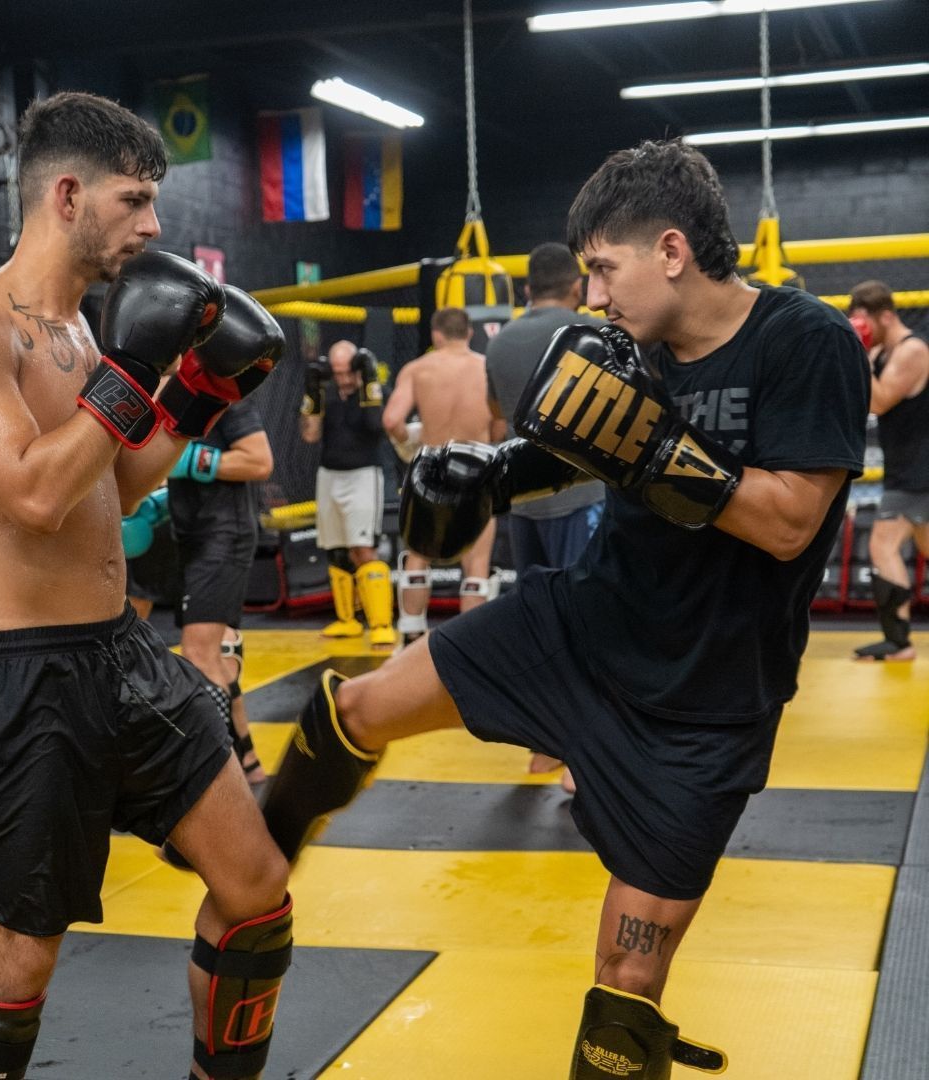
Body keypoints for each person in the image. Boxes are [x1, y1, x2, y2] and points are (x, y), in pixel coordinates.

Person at [262, 138, 869, 1079]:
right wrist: (490, 477)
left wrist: (654, 447)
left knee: (626, 983)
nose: (592, 296)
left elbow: (790, 522)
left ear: (672, 251)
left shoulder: (808, 342)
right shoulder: (630, 349)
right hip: (581, 627)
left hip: (708, 704)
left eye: (602, 269)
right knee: (357, 706)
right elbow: (585, 441)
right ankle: (260, 857)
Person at [0, 91, 291, 1080]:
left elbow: (111, 484)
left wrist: (197, 402)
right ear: (69, 195)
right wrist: (136, 367)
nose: (156, 227)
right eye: (135, 201)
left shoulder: (81, 333)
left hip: (123, 655)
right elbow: (34, 495)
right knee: (18, 965)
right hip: (27, 679)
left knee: (257, 892)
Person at [484, 243, 607, 782]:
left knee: (538, 619)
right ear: (576, 285)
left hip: (523, 500)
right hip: (580, 498)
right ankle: (581, 757)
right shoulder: (591, 334)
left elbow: (496, 416)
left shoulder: (499, 342)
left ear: (526, 286)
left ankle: (543, 744)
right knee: (589, 622)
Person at [168, 396, 274, 784]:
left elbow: (260, 461)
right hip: (190, 534)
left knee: (197, 653)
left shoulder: (224, 394)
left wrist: (194, 462)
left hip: (223, 536)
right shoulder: (163, 393)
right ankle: (246, 761)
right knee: (213, 655)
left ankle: (216, 772)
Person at [382, 306, 497, 645]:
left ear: (436, 334)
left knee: (419, 553)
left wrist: (409, 443)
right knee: (476, 565)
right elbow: (501, 424)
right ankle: (471, 648)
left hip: (432, 468)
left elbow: (391, 421)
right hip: (478, 467)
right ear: (470, 333)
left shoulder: (419, 369)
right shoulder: (487, 369)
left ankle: (411, 638)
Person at [847, 279, 929, 661]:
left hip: (919, 472)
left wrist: (859, 352)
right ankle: (898, 641)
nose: (864, 331)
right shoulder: (884, 350)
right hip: (907, 470)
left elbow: (877, 401)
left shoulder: (912, 350)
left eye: (866, 323)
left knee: (883, 544)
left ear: (886, 316)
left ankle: (898, 642)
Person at [300, 339, 395, 647]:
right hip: (329, 476)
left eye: (347, 371)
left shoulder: (373, 393)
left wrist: (369, 381)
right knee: (337, 549)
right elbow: (310, 435)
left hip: (363, 477)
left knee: (363, 548)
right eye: (336, 372)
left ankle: (381, 623)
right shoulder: (328, 396)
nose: (342, 378)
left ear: (357, 367)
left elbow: (374, 426)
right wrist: (312, 391)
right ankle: (347, 620)